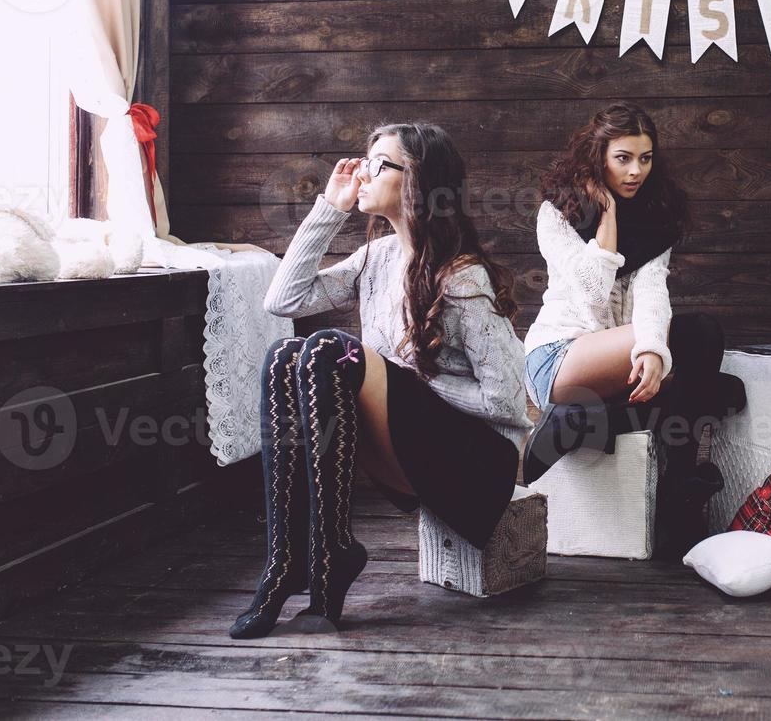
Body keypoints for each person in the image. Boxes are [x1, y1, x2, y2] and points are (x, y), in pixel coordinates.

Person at [230, 122, 532, 637]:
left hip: (479, 470)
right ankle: (289, 564)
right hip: (412, 451)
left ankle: (329, 558)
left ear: (417, 182)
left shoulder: (462, 277)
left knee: (333, 349)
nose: (362, 173)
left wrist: (407, 375)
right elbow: (281, 302)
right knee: (285, 354)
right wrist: (330, 209)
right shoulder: (377, 257)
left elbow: (508, 400)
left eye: (379, 164)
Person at [522, 101, 744, 559]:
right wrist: (606, 216)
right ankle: (675, 496)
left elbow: (651, 296)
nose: (635, 171)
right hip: (558, 357)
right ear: (598, 155)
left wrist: (650, 350)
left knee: (702, 341)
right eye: (623, 158)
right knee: (697, 361)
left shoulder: (656, 220)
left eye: (645, 158)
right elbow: (591, 293)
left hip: (619, 364)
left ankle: (676, 489)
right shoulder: (557, 213)